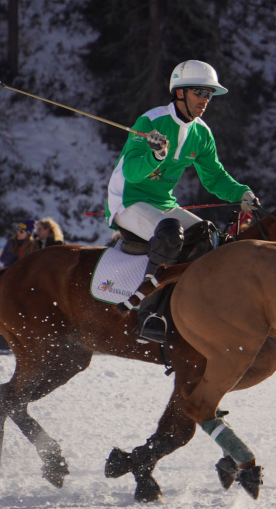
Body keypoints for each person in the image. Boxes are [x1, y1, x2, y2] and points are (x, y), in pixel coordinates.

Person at [105, 60, 256, 343]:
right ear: (179, 93)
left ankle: (200, 311)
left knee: (211, 239)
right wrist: (156, 155)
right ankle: (150, 316)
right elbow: (132, 172)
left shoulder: (202, 133)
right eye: (200, 92)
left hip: (163, 203)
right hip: (128, 201)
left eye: (210, 95)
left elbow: (214, 178)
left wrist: (242, 194)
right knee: (171, 234)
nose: (205, 100)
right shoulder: (150, 121)